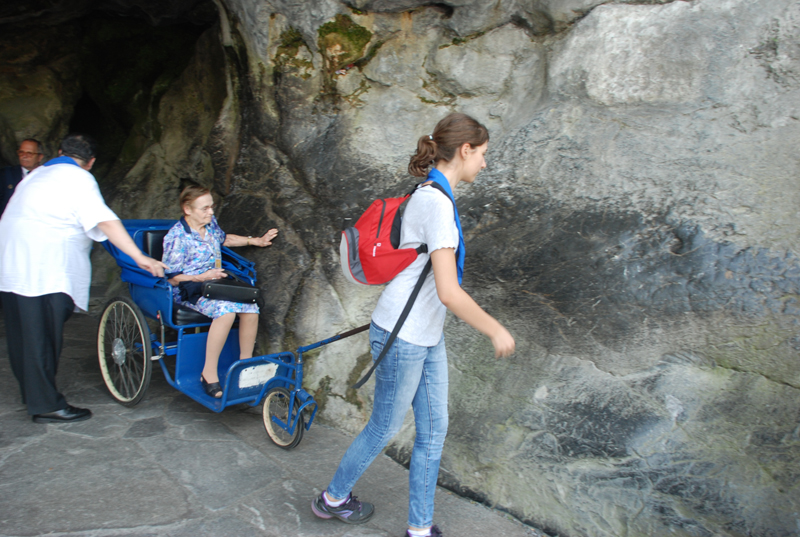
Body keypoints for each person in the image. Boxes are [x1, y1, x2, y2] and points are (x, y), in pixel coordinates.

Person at [311, 113, 516, 537]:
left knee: (434, 430)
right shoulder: (436, 204)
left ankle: (419, 528)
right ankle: (332, 499)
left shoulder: (430, 193)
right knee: (385, 426)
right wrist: (494, 329)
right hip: (403, 335)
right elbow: (449, 292)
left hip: (424, 333)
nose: (484, 163)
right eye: (482, 154)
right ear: (465, 150)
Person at [0, 133, 166, 423]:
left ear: (59, 152)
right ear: (90, 162)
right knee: (42, 337)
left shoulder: (36, 176)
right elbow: (105, 221)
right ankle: (46, 404)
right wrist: (140, 257)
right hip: (42, 272)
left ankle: (33, 394)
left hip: (11, 266)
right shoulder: (78, 178)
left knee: (22, 336)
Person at [161, 185, 279, 398]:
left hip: (215, 285)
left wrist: (256, 241)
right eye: (204, 208)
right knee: (226, 312)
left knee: (251, 307)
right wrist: (201, 277)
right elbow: (172, 278)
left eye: (211, 207)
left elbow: (224, 239)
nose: (211, 212)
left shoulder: (210, 224)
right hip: (190, 289)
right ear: (187, 209)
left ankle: (245, 367)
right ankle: (208, 373)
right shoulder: (177, 237)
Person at [1, 138, 45, 216]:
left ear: (40, 157)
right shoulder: (6, 174)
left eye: (29, 153)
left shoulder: (46, 176)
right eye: (21, 152)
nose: (24, 156)